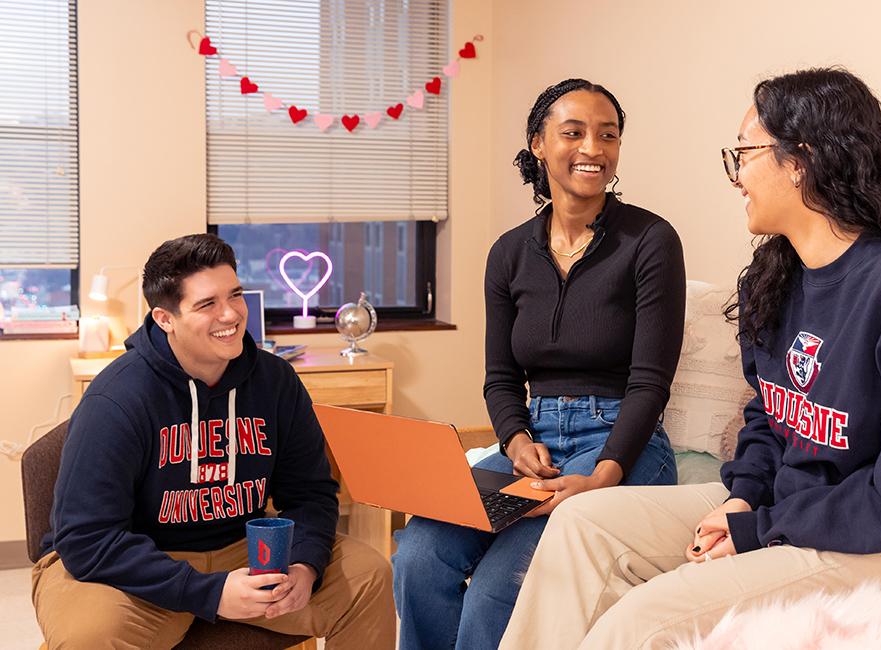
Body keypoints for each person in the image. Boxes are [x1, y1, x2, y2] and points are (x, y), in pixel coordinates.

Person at [500, 67, 881, 649]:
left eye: (743, 153)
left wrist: (757, 529)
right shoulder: (776, 278)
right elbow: (771, 420)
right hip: (801, 509)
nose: (736, 175)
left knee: (640, 622)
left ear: (802, 160)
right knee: (582, 525)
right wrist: (744, 497)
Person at [391, 78, 686, 649]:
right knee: (420, 555)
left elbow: (651, 382)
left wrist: (604, 476)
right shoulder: (508, 253)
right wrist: (515, 439)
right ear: (538, 145)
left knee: (499, 586)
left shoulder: (650, 240)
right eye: (573, 133)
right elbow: (500, 378)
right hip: (535, 446)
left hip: (622, 441)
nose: (593, 150)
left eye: (608, 135)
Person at [31, 234, 392, 649]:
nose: (231, 315)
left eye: (234, 295)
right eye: (207, 304)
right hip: (135, 564)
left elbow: (311, 492)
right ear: (165, 319)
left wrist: (305, 564)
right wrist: (212, 593)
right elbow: (86, 539)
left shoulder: (275, 382)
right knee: (89, 638)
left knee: (370, 577)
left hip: (241, 549)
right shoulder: (116, 399)